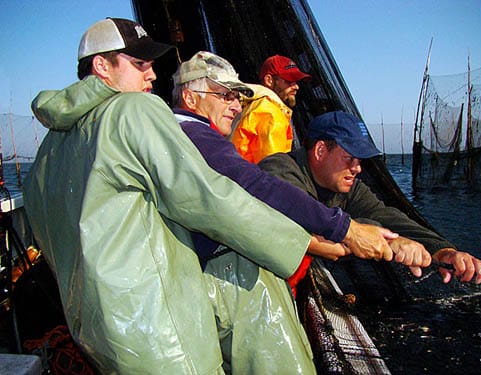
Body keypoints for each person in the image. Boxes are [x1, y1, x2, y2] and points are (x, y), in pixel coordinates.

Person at [22, 19, 350, 374]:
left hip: (98, 333)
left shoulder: (47, 153)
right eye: (139, 64)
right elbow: (207, 199)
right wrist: (305, 242)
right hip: (161, 331)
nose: (152, 76)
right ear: (102, 66)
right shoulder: (133, 110)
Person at [171, 51, 430, 373]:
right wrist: (349, 231)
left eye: (238, 98)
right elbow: (260, 188)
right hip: (221, 277)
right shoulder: (198, 136)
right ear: (190, 98)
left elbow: (381, 212)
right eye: (226, 96)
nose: (237, 106)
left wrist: (440, 247)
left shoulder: (190, 137)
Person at [259, 111, 481, 284]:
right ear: (321, 150)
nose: (357, 168)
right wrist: (391, 243)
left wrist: (443, 251)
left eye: (360, 161)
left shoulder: (348, 187)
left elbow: (387, 216)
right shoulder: (279, 168)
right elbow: (302, 224)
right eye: (350, 158)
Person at [231, 54, 311, 163]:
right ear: (269, 80)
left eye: (296, 81)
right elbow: (274, 168)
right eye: (289, 80)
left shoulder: (252, 105)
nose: (296, 87)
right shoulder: (271, 113)